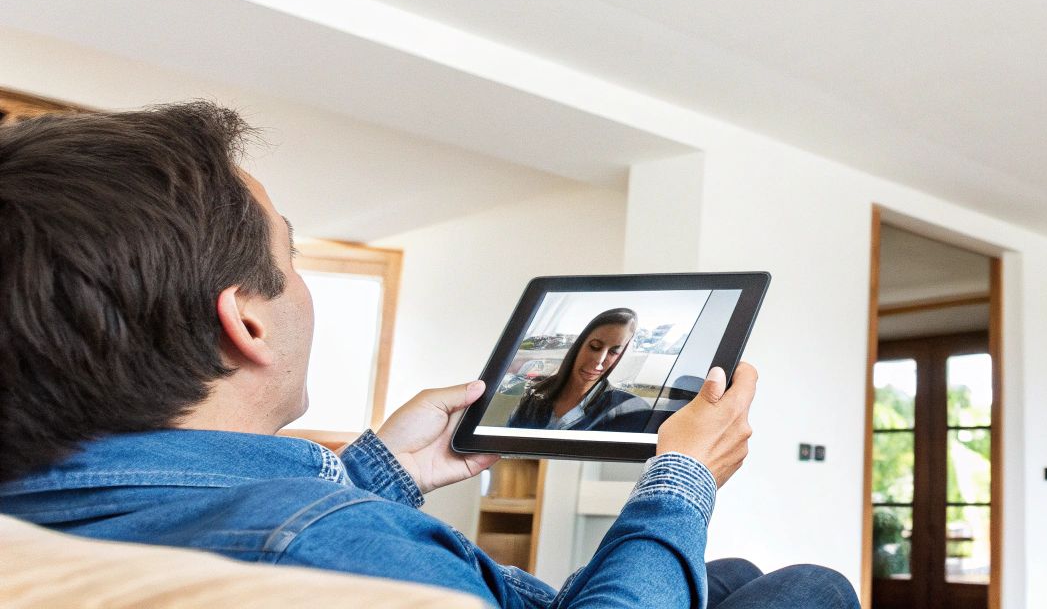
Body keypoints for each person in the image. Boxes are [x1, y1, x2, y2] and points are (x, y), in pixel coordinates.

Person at [0, 102, 857, 609]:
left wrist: (387, 467)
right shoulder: (333, 542)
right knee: (811, 586)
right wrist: (683, 480)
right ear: (247, 323)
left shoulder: (35, 507)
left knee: (735, 574)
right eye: (291, 261)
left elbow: (212, 509)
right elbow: (300, 541)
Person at [506, 309, 656, 431]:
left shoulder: (630, 408)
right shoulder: (536, 393)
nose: (599, 361)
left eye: (613, 352)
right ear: (579, 345)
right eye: (595, 347)